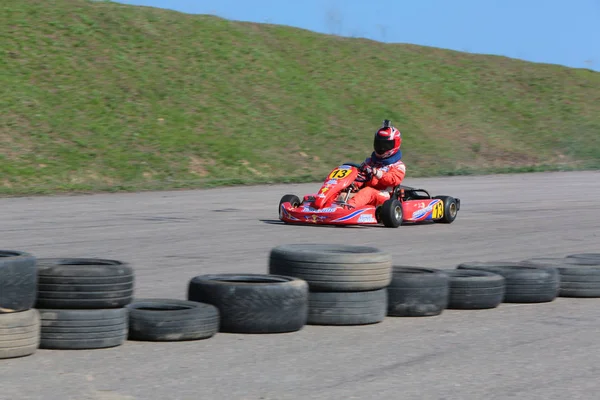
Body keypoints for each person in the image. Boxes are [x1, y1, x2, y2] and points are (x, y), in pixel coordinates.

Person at [347, 120, 406, 208]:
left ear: (395, 144)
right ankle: (326, 207)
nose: (381, 147)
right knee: (343, 190)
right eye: (379, 143)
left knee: (368, 191)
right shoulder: (370, 162)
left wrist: (377, 173)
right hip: (367, 194)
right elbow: (361, 177)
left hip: (386, 198)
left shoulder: (398, 166)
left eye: (385, 145)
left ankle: (348, 209)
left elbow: (393, 180)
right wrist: (353, 184)